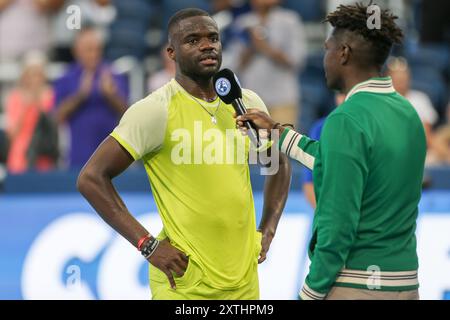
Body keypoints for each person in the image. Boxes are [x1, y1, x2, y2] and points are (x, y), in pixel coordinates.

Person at [77, 8, 291, 300]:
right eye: (192, 40)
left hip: (244, 281)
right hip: (184, 285)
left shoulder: (247, 102)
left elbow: (276, 163)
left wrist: (268, 230)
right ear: (171, 52)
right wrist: (148, 245)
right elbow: (91, 178)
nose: (207, 45)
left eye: (213, 38)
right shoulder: (155, 110)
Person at [237, 3, 426, 300]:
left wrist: (311, 292)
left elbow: (337, 226)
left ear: (344, 53)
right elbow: (338, 160)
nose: (325, 58)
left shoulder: (345, 119)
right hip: (405, 283)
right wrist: (277, 131)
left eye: (327, 48)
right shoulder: (408, 113)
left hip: (356, 285)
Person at [53, 27, 129, 168]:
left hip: (110, 155)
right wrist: (80, 96)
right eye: (89, 49)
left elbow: (128, 113)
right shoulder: (66, 77)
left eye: (97, 49)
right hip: (79, 156)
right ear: (76, 51)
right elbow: (58, 115)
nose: (94, 54)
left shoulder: (113, 74)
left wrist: (111, 95)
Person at [226, 0, 306, 128]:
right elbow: (234, 65)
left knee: (281, 144)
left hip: (282, 98)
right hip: (251, 98)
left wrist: (264, 46)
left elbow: (297, 60)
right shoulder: (243, 22)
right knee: (255, 144)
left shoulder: (289, 20)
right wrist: (251, 46)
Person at [5, 52, 56, 174]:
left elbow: (53, 126)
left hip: (44, 158)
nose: (36, 79)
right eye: (32, 74)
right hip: (20, 158)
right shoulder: (14, 97)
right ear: (25, 76)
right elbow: (12, 134)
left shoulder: (50, 95)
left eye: (39, 74)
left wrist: (38, 102)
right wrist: (25, 106)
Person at [302, 94, 345, 208]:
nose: (346, 98)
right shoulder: (321, 128)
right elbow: (309, 184)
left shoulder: (373, 127)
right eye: (341, 93)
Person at [387, 57, 438, 149]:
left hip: (418, 149)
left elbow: (426, 133)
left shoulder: (420, 98)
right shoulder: (383, 101)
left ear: (408, 78)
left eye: (403, 78)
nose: (400, 82)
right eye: (397, 79)